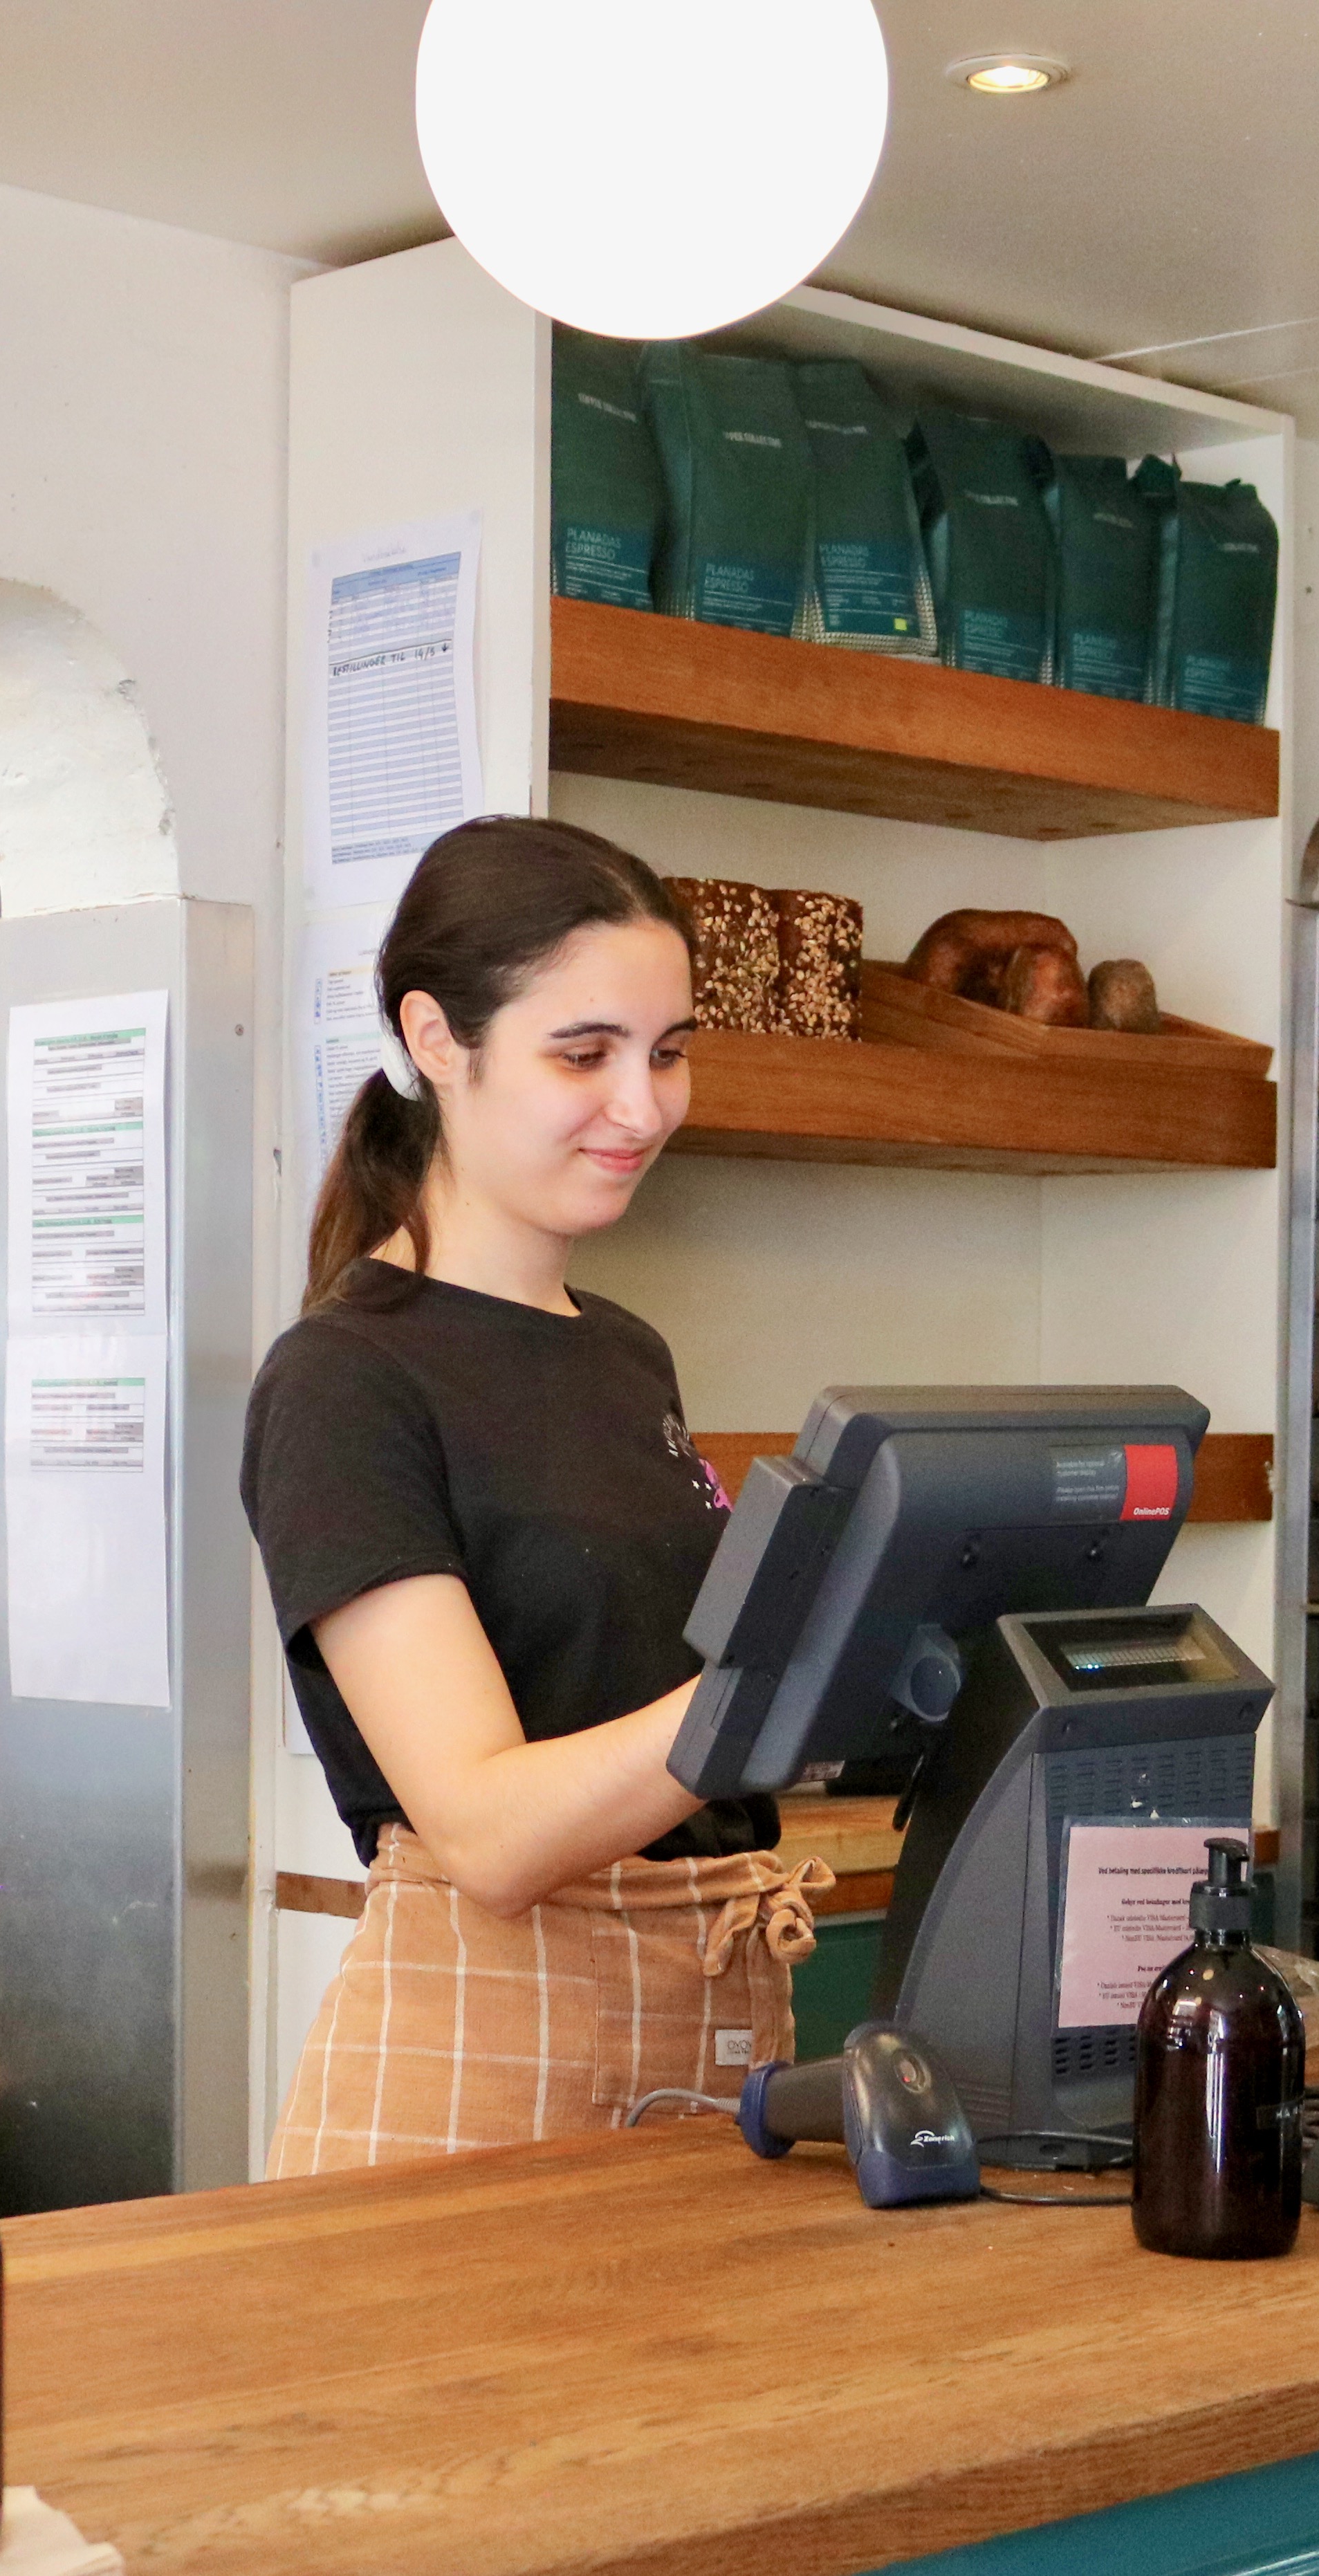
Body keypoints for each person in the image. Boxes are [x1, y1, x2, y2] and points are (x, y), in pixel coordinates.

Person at [241, 816, 825, 2174]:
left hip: (712, 2034)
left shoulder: (625, 1354)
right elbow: (492, 1831)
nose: (645, 1103)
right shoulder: (346, 1380)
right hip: (478, 2078)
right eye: (586, 1052)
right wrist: (780, 1689)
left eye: (668, 1049)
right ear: (438, 1039)